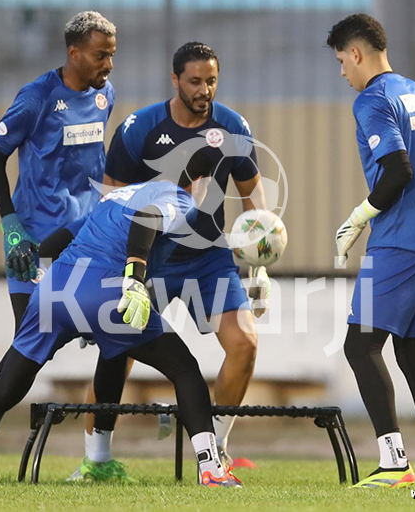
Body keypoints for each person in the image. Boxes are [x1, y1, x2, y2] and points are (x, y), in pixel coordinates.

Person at [0, 153, 241, 488]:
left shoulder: (118, 195)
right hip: (105, 290)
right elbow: (148, 217)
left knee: (2, 392)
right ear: (202, 179)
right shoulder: (179, 198)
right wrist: (134, 277)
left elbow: (69, 234)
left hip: (54, 292)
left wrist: (33, 253)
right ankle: (211, 469)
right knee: (184, 369)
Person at [69, 42, 270, 482]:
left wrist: (259, 265)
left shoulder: (232, 127)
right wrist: (103, 279)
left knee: (245, 344)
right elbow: (111, 201)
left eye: (212, 80)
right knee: (117, 350)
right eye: (195, 81)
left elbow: (255, 201)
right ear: (175, 79)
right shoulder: (140, 127)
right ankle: (96, 459)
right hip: (150, 258)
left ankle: (215, 449)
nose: (205, 89)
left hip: (208, 258)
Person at [0, 11, 116, 483]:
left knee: (117, 342)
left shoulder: (106, 95)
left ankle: (99, 460)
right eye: (100, 54)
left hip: (86, 243)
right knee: (26, 353)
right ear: (73, 52)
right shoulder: (37, 97)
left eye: (112, 54)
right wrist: (11, 226)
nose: (109, 64)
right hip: (34, 248)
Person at [326, 14, 415, 490]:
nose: (342, 72)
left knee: (360, 344)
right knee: (411, 352)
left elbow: (398, 170)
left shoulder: (372, 99)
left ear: (357, 53)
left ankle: (393, 464)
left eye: (342, 61)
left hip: (402, 241)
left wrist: (361, 216)